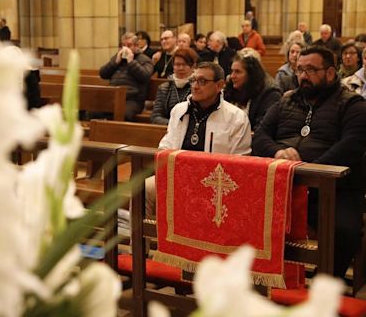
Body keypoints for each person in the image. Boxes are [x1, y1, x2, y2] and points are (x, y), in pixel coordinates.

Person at [253, 46, 366, 279]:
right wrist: (278, 152)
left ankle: (325, 288)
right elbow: (261, 137)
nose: (303, 76)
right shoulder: (286, 102)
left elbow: (350, 148)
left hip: (333, 191)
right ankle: (264, 281)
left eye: (311, 70)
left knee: (343, 231)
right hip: (280, 186)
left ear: (331, 73)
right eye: (300, 70)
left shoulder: (352, 105)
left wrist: (305, 171)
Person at [146, 62, 252, 217]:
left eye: (202, 81)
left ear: (219, 85)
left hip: (216, 185)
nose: (195, 86)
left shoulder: (236, 118)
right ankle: (150, 241)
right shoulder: (179, 110)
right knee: (144, 189)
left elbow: (241, 162)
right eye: (193, 80)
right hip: (178, 178)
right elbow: (166, 145)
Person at [99, 32, 153, 121]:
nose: (125, 48)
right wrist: (115, 63)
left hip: (133, 100)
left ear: (136, 46)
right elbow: (103, 74)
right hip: (113, 97)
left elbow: (145, 76)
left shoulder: (145, 60)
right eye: (123, 45)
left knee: (123, 114)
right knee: (93, 111)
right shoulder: (117, 58)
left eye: (129, 45)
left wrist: (131, 62)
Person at [224, 48, 282, 130]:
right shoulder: (231, 87)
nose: (232, 76)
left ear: (251, 74)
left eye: (237, 72)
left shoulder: (270, 93)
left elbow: (263, 130)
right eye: (232, 71)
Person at [151, 48, 198, 125]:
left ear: (193, 66)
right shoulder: (164, 88)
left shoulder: (198, 87)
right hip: (168, 128)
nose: (181, 68)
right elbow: (155, 116)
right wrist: (174, 125)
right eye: (177, 64)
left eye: (185, 64)